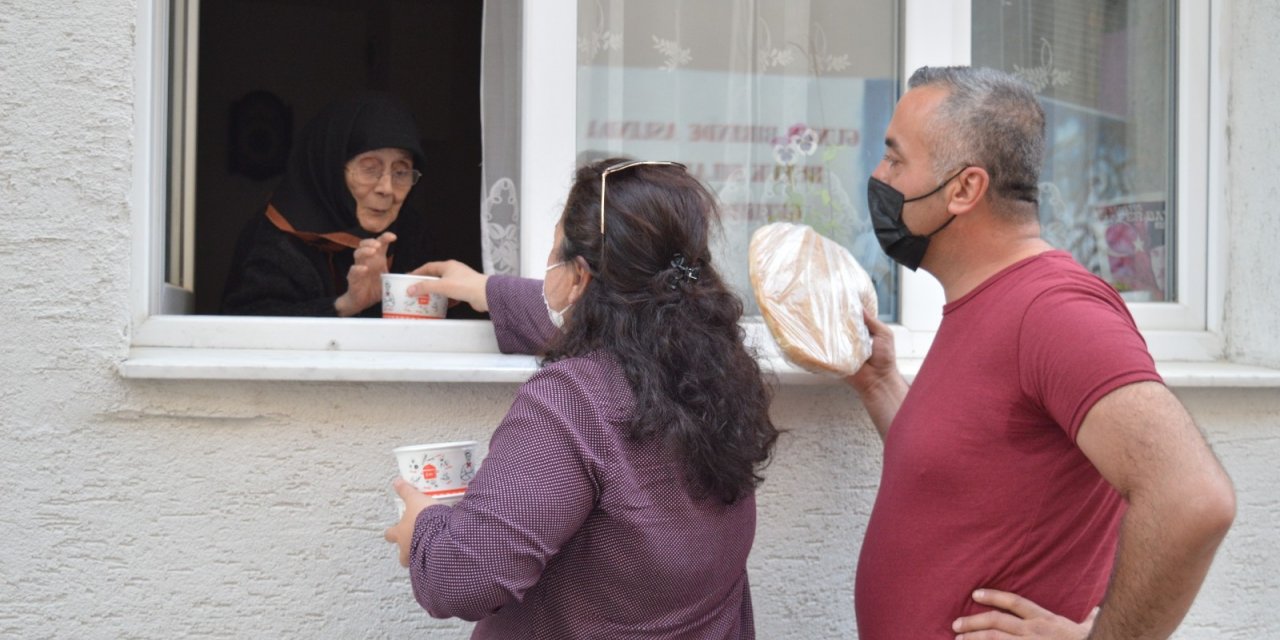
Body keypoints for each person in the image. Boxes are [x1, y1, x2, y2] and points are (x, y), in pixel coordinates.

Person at [847, 66, 1236, 639]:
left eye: (896, 159)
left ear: (964, 189)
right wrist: (880, 383)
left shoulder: (1053, 312)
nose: (879, 176)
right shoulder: (983, 302)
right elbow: (966, 476)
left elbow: (1194, 500)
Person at [383, 158, 780, 639]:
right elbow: (591, 318)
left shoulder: (573, 402)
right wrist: (486, 290)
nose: (547, 270)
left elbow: (462, 580)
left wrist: (424, 528)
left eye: (553, 253)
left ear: (579, 278)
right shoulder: (720, 372)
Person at [221, 92, 429, 317]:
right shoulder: (277, 235)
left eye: (401, 172)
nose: (386, 188)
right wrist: (345, 305)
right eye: (369, 169)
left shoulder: (411, 233)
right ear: (331, 170)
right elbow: (245, 328)